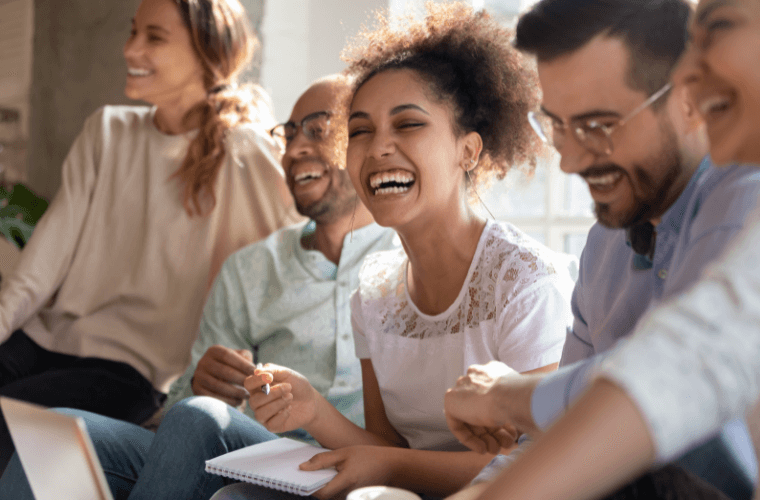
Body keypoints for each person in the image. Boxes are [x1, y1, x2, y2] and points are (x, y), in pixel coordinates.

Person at [212, 3, 575, 499]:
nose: (378, 146)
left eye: (407, 124)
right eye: (360, 131)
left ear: (468, 150)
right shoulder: (377, 292)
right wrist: (314, 409)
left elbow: (540, 464)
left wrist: (384, 467)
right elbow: (386, 446)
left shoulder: (526, 281)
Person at [0, 74, 399, 499]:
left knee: (200, 420)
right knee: (58, 432)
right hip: (258, 453)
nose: (295, 148)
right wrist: (199, 384)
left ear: (363, 142)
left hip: (352, 466)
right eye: (289, 132)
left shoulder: (406, 261)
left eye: (318, 131)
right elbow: (179, 412)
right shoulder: (252, 268)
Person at [442, 0, 760, 499]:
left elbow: (674, 376)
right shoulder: (605, 245)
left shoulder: (744, 193)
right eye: (556, 126)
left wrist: (506, 396)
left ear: (690, 100)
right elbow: (555, 434)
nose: (568, 160)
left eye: (597, 126)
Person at [0, 0, 299, 471]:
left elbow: (291, 267)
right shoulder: (106, 131)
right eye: (132, 32)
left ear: (208, 52)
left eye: (154, 37)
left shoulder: (244, 151)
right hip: (43, 339)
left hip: (137, 373)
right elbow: (41, 266)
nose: (131, 48)